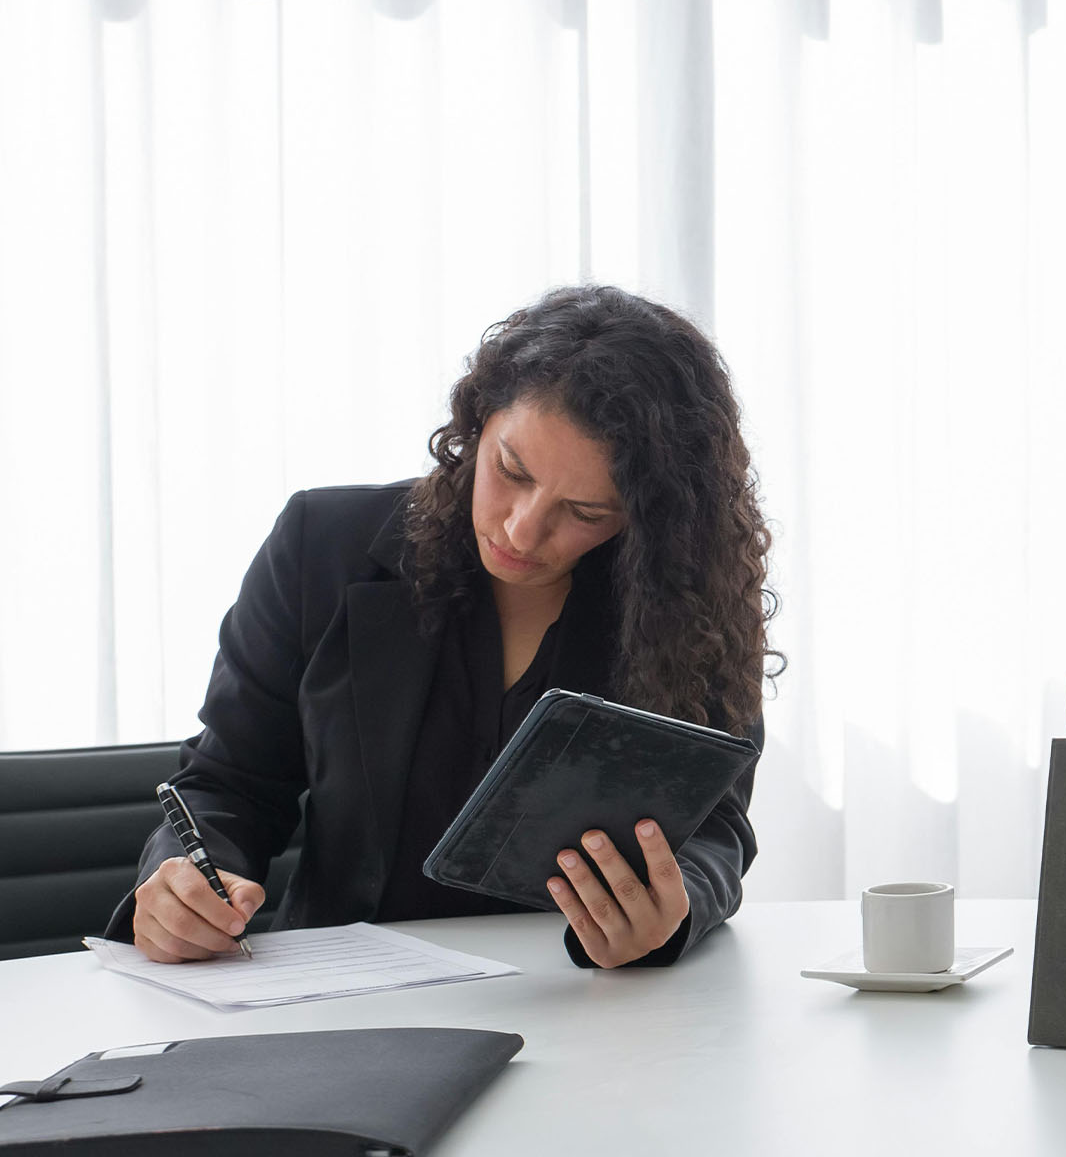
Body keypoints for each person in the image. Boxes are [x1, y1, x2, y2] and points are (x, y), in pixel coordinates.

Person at [108, 286, 775, 969]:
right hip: (340, 997)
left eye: (584, 511)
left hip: (579, 993)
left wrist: (673, 908)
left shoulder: (687, 600)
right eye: (510, 471)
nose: (522, 530)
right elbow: (229, 783)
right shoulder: (321, 547)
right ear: (477, 423)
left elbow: (713, 820)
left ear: (644, 518)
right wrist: (182, 885)